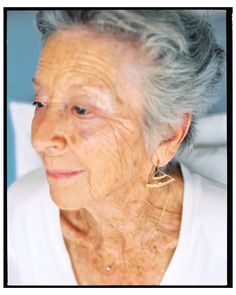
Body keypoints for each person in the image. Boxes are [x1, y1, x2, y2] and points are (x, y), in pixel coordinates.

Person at [8, 10, 227, 286]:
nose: (39, 139)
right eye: (40, 102)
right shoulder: (17, 218)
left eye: (81, 109)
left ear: (167, 135)